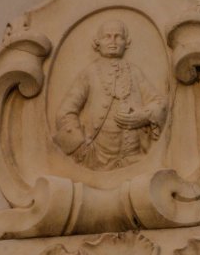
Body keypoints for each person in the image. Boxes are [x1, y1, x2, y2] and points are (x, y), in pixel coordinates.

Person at [53, 19, 168, 170]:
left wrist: (143, 116)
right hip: (97, 159)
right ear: (97, 42)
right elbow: (65, 113)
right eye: (107, 37)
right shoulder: (89, 73)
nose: (113, 42)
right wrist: (80, 148)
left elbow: (159, 103)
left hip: (135, 158)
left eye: (118, 37)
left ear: (126, 42)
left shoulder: (134, 72)